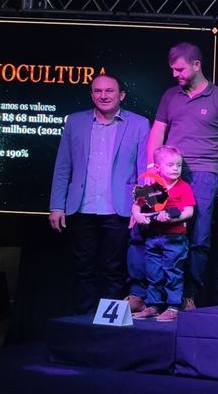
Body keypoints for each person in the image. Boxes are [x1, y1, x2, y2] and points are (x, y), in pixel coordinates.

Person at [147, 42, 218, 309]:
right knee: (159, 232)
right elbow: (157, 132)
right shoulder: (170, 96)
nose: (175, 74)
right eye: (172, 70)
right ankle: (156, 297)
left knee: (198, 236)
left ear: (196, 65)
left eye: (179, 69)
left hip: (203, 173)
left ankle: (188, 294)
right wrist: (151, 169)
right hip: (167, 173)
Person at [49, 74, 149, 315]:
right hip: (81, 209)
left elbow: (145, 171)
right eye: (98, 91)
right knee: (82, 269)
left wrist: (142, 206)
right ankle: (83, 321)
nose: (103, 96)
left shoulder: (139, 124)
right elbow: (63, 166)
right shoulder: (75, 122)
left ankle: (110, 323)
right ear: (91, 95)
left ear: (121, 95)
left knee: (114, 269)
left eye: (109, 91)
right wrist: (57, 206)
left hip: (119, 210)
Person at [131, 146, 195, 321]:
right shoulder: (152, 187)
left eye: (179, 165)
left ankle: (173, 306)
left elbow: (189, 212)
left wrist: (171, 218)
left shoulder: (183, 187)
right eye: (170, 165)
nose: (176, 169)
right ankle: (154, 305)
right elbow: (136, 206)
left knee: (173, 272)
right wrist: (138, 215)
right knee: (153, 272)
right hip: (153, 238)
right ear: (158, 168)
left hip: (175, 239)